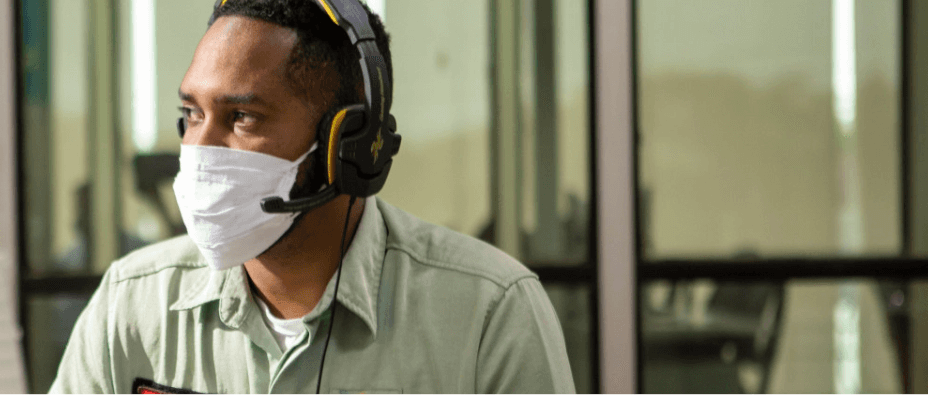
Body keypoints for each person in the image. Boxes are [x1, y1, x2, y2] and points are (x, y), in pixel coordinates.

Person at [50, 1, 574, 393]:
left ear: (347, 147)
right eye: (192, 115)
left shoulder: (489, 312)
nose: (200, 151)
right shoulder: (133, 301)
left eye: (242, 118)